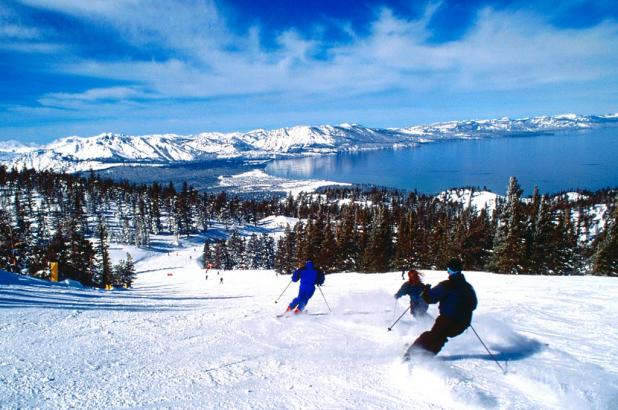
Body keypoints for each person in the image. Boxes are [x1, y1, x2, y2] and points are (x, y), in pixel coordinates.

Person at [407, 258, 477, 357]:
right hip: (463, 323)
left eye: (448, 270)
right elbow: (473, 304)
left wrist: (425, 292)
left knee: (431, 336)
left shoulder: (447, 285)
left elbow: (430, 298)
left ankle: (410, 356)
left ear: (450, 270)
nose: (448, 272)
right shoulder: (468, 287)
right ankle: (426, 357)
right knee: (440, 337)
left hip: (447, 320)